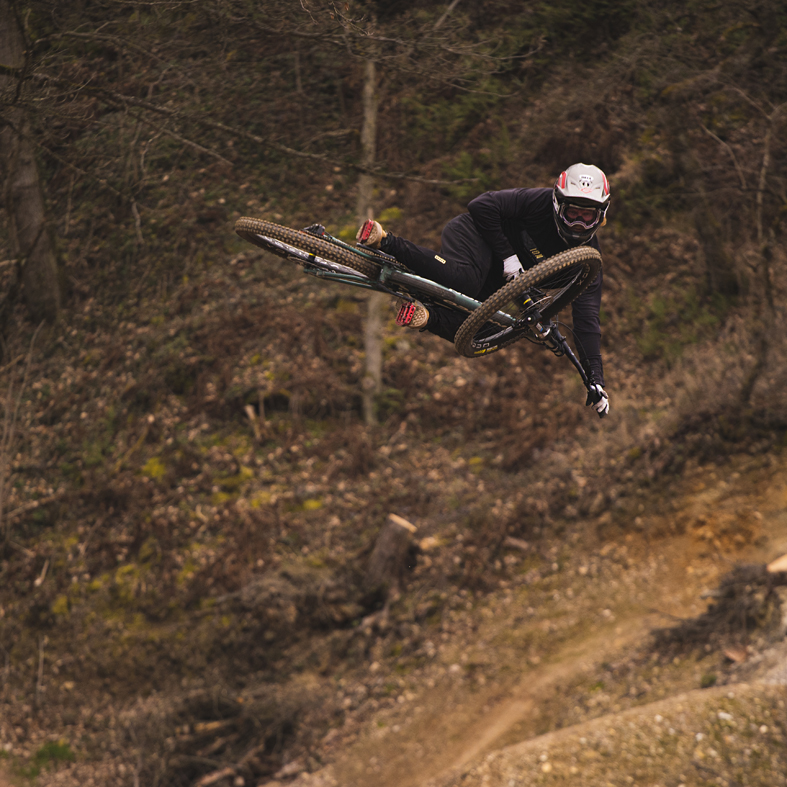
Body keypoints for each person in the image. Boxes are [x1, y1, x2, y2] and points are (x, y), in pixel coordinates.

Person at [356, 163, 611, 416]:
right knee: (464, 280)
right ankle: (386, 241)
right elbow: (481, 204)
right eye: (573, 213)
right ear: (557, 205)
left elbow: (587, 320)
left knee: (499, 328)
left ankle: (425, 316)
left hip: (497, 281)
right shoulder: (538, 202)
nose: (579, 224)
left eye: (588, 217)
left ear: (602, 215)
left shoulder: (587, 262)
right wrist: (508, 256)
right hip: (477, 237)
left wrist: (595, 379)